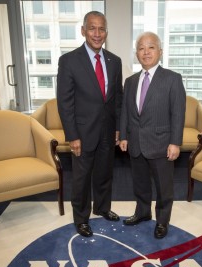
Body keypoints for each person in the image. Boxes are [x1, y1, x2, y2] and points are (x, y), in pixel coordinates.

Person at [57, 11, 123, 238]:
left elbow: (117, 98)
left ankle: (103, 207)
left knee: (105, 173)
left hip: (107, 130)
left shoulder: (115, 61)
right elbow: (64, 103)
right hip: (82, 133)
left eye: (102, 29)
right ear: (83, 31)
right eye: (92, 28)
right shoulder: (69, 61)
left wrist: (117, 128)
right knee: (81, 178)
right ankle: (81, 218)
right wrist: (72, 135)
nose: (97, 34)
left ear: (106, 32)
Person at [119, 32, 186, 239]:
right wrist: (123, 136)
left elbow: (178, 113)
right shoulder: (130, 81)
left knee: (163, 187)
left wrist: (175, 142)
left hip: (161, 143)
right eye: (141, 48)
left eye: (151, 47)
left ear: (160, 51)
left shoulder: (173, 79)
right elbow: (125, 111)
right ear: (136, 53)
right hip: (136, 143)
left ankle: (162, 221)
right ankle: (142, 212)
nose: (146, 52)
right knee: (139, 183)